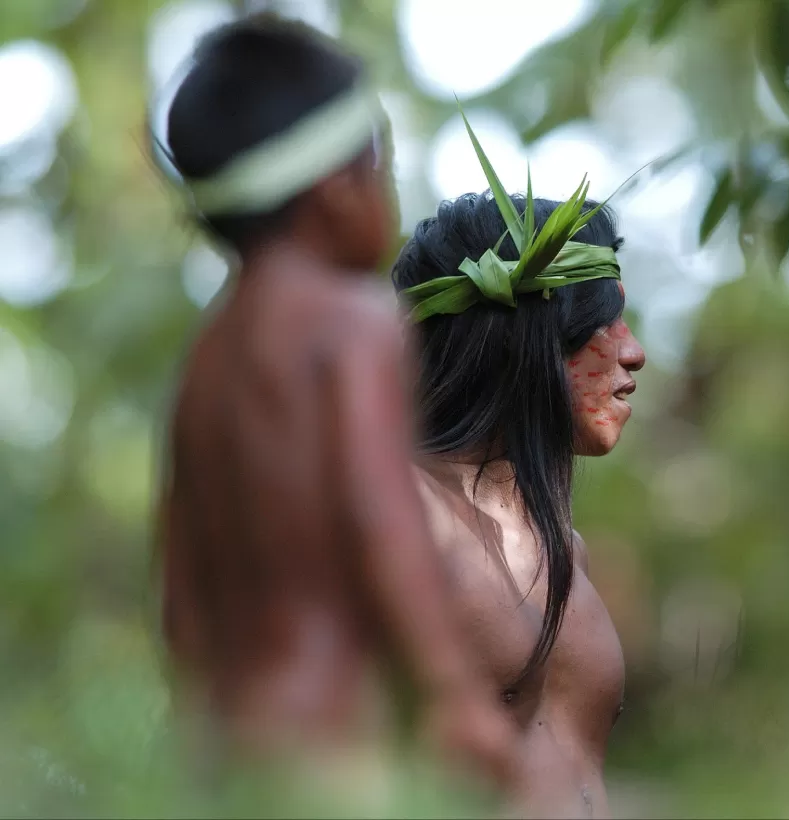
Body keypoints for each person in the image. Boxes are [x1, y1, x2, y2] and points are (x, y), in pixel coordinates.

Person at [152, 13, 517, 799]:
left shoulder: (205, 362)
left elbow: (181, 592)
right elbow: (376, 510)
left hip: (225, 744)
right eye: (381, 156)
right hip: (329, 737)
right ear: (335, 186)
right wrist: (454, 694)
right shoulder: (350, 321)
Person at [389, 136, 647, 818]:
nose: (634, 351)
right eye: (601, 322)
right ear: (531, 340)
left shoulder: (567, 548)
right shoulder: (399, 516)